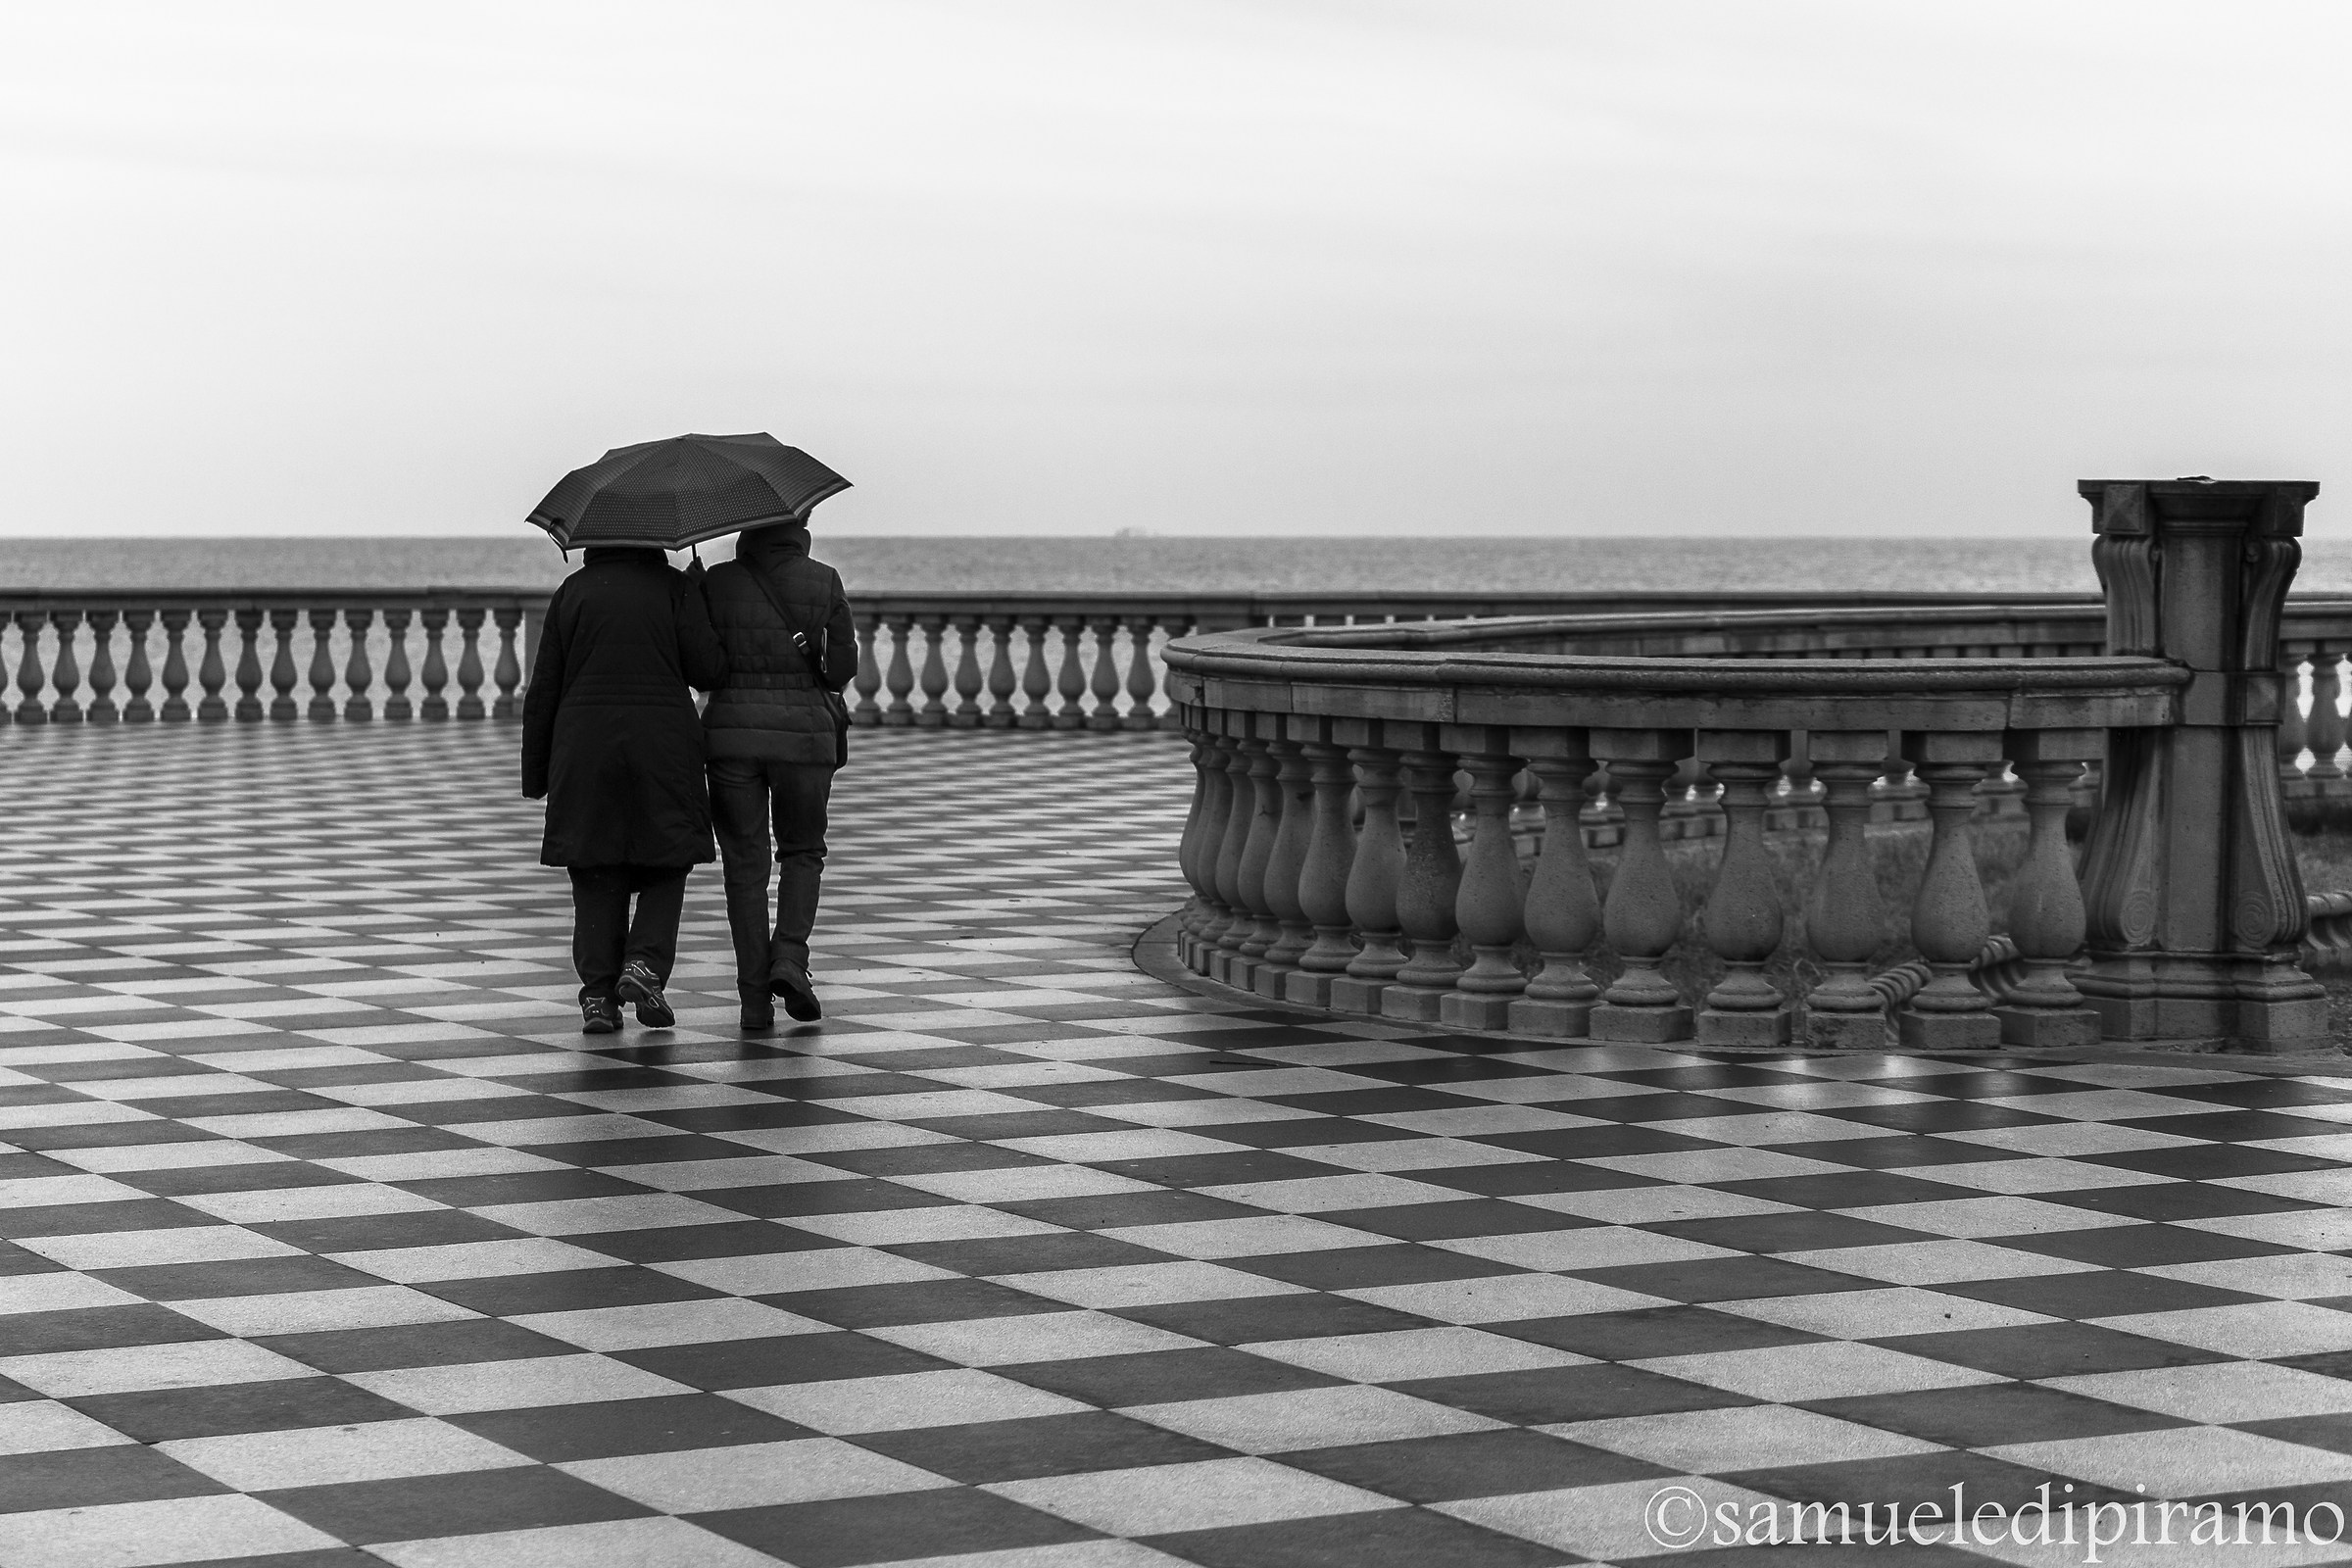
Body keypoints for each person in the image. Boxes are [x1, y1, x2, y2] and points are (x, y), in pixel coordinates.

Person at [521, 547, 728, 1034]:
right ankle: (644, 965)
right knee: (667, 858)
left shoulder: (572, 593)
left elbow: (544, 686)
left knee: (594, 868)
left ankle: (598, 996)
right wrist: (699, 595)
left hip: (584, 747)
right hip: (662, 744)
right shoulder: (676, 587)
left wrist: (537, 774)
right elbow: (709, 670)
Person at [698, 518, 856, 1031]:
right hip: (805, 740)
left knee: (744, 865)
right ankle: (789, 958)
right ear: (801, 525)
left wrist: (698, 590)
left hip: (730, 740)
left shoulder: (717, 582)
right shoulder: (825, 579)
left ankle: (752, 1001)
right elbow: (841, 668)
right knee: (803, 852)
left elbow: (702, 668)